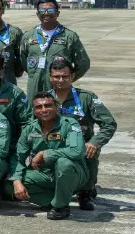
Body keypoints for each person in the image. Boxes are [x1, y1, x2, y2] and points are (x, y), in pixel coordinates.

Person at [49, 59, 115, 211]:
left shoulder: (86, 98)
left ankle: (85, 191)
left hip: (81, 147)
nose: (60, 80)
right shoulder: (45, 99)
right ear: (50, 77)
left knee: (90, 152)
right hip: (54, 146)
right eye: (57, 77)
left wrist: (95, 142)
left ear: (72, 77)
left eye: (65, 76)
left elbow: (109, 123)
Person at [10, 93, 87, 220]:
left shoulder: (69, 124)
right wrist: (17, 181)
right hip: (44, 174)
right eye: (39, 107)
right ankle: (50, 200)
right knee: (8, 184)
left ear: (56, 107)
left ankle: (60, 207)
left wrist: (45, 154)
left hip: (73, 175)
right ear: (34, 111)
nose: (44, 110)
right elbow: (19, 157)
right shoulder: (29, 129)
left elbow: (77, 151)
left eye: (48, 105)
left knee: (64, 163)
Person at [18, 0, 90, 97]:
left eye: (51, 10)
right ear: (37, 14)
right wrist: (35, 74)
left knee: (59, 111)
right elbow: (23, 60)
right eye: (42, 11)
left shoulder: (69, 36)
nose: (46, 13)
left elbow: (83, 63)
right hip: (34, 88)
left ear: (57, 13)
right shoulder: (28, 36)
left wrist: (66, 79)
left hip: (59, 89)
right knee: (34, 111)